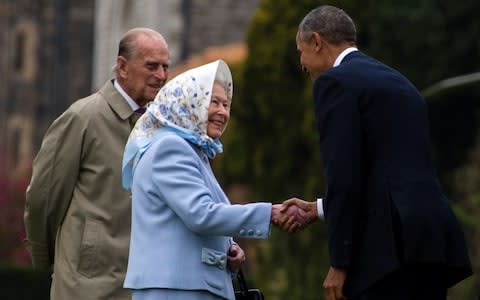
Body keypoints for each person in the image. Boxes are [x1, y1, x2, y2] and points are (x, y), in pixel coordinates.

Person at [281, 5, 473, 300]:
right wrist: (319, 208)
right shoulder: (401, 83)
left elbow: (344, 177)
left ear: (316, 41)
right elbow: (387, 173)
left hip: (387, 255)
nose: (303, 63)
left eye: (300, 51)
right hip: (431, 244)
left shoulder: (335, 83)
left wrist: (340, 263)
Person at [122, 59, 291, 300]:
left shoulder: (193, 150)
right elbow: (202, 214)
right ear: (188, 101)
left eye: (226, 104)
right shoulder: (170, 147)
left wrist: (227, 250)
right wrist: (270, 213)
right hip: (176, 290)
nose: (223, 112)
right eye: (213, 102)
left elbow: (187, 223)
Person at [23, 28, 170, 299]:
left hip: (141, 282)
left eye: (165, 66)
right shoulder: (83, 117)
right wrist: (47, 259)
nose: (161, 75)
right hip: (86, 286)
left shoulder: (161, 127)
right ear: (122, 67)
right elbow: (44, 196)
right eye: (151, 65)